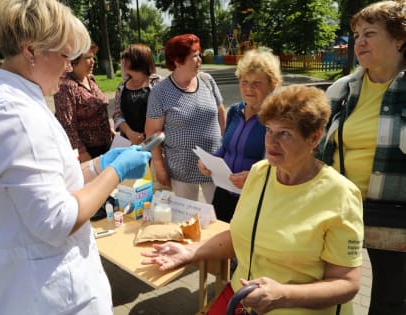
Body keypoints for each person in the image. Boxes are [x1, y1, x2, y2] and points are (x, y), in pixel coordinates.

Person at [0, 1, 151, 314]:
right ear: (31, 51)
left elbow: (50, 182)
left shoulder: (8, 98)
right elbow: (56, 219)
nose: (67, 67)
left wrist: (98, 165)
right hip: (49, 294)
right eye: (64, 56)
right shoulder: (16, 115)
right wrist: (115, 173)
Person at [142, 85, 364, 315]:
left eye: (285, 133)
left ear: (314, 138)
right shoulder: (259, 172)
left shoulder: (340, 195)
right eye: (268, 129)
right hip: (242, 298)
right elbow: (239, 234)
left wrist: (283, 295)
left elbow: (348, 283)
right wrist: (192, 252)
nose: (271, 142)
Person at [318, 2, 406, 314]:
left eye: (370, 34)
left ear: (399, 40)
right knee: (331, 289)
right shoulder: (343, 89)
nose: (360, 42)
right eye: (357, 35)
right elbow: (318, 150)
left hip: (396, 220)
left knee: (390, 302)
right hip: (341, 212)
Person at [197, 49, 281, 222]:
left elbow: (281, 163)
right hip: (224, 192)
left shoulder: (277, 118)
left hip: (255, 196)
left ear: (272, 84)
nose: (249, 88)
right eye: (244, 81)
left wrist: (253, 176)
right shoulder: (235, 111)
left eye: (256, 83)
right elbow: (226, 148)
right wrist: (210, 161)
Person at [145, 34, 226, 202]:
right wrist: (159, 166)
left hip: (214, 165)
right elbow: (152, 132)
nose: (199, 60)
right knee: (187, 219)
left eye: (199, 55)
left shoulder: (207, 80)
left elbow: (221, 113)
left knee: (220, 217)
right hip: (181, 171)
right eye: (194, 56)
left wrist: (226, 149)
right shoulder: (160, 92)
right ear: (177, 61)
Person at [54, 43, 113, 163]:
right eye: (87, 58)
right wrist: (82, 152)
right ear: (74, 60)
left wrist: (109, 127)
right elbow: (67, 125)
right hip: (88, 151)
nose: (92, 62)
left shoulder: (90, 79)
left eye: (93, 58)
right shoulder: (66, 86)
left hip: (106, 144)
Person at [113, 43, 162, 144]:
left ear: (139, 60)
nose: (123, 62)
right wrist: (130, 133)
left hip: (153, 144)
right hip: (126, 142)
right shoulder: (121, 87)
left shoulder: (158, 83)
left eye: (127, 58)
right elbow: (117, 115)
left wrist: (148, 136)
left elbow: (166, 115)